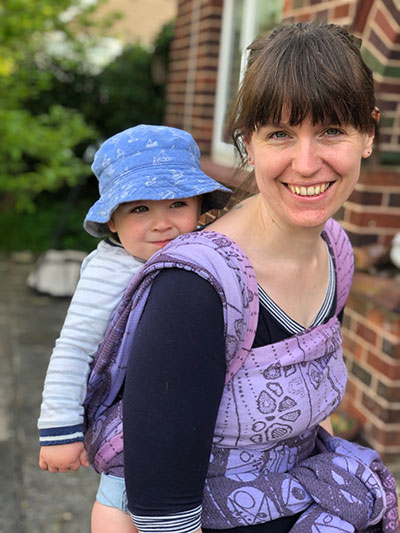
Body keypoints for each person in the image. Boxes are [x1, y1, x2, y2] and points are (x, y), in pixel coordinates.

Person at [84, 22, 399, 533]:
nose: (306, 162)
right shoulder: (196, 290)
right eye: (280, 133)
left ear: (368, 133)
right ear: (248, 145)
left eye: (332, 130)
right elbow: (163, 513)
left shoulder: (335, 249)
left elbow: (308, 403)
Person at [37, 124, 231, 533]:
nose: (162, 223)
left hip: (188, 407)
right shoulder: (110, 270)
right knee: (122, 495)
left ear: (200, 205)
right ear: (111, 221)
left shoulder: (205, 250)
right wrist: (59, 430)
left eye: (177, 203)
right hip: (127, 413)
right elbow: (74, 348)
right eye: (140, 209)